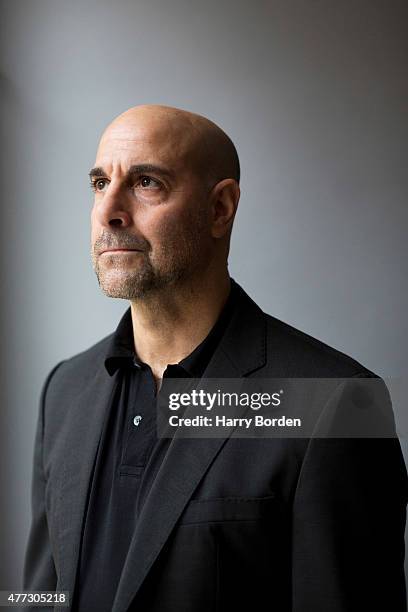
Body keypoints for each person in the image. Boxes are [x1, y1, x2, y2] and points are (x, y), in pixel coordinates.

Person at [22, 104, 407, 612]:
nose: (109, 210)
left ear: (221, 208)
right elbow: (38, 595)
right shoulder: (65, 390)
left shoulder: (337, 404)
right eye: (99, 184)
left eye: (145, 183)